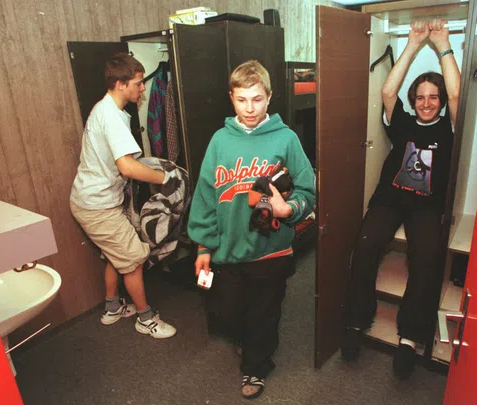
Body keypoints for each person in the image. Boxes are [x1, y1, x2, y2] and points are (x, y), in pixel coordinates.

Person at [187, 60, 316, 400]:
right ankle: (248, 340)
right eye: (242, 99)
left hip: (271, 249)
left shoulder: (286, 139)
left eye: (257, 99)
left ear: (269, 97)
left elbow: (308, 190)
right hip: (227, 250)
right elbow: (205, 196)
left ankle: (256, 367)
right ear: (231, 97)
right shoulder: (220, 140)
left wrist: (289, 209)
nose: (249, 108)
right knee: (228, 312)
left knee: (264, 313)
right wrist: (203, 247)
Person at [341, 19, 460, 379]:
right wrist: (412, 44)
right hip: (389, 199)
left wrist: (443, 44)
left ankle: (409, 337)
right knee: (364, 245)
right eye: (420, 97)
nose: (427, 103)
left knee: (427, 257)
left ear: (441, 102)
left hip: (426, 206)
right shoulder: (402, 122)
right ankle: (356, 322)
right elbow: (388, 91)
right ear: (413, 100)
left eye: (433, 97)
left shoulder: (449, 127)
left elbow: (457, 95)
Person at [69, 52, 176, 339]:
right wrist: (166, 178)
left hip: (93, 201)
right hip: (98, 207)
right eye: (138, 83)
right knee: (134, 259)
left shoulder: (107, 110)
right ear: (120, 84)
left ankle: (113, 307)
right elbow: (127, 166)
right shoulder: (111, 117)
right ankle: (146, 319)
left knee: (115, 255)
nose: (143, 89)